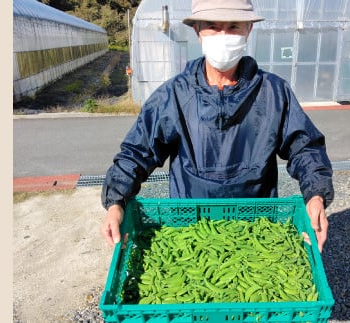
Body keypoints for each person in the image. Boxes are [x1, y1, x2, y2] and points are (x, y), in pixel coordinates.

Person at [100, 0, 335, 253]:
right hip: (189, 225)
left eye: (233, 26)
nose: (224, 36)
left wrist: (315, 195)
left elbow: (304, 147)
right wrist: (116, 202)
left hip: (256, 225)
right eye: (213, 26)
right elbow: (137, 153)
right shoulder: (173, 95)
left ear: (248, 30)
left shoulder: (273, 92)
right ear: (197, 31)